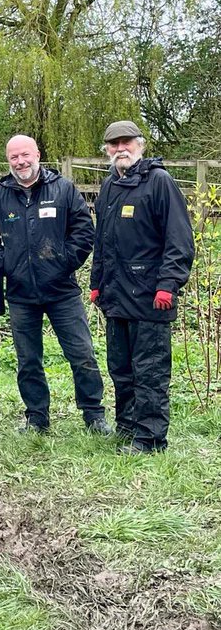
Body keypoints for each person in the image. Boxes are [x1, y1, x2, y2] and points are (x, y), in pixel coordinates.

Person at [0, 134, 110, 435]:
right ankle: (37, 417)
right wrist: (5, 264)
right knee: (28, 360)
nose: (21, 162)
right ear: (7, 160)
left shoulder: (62, 189)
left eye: (25, 155)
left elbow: (83, 230)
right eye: (14, 157)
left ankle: (93, 414)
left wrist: (64, 261)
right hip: (21, 293)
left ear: (37, 154)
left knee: (82, 354)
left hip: (62, 290)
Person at [90, 121, 194, 454]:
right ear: (107, 149)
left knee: (149, 370)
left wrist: (168, 284)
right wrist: (96, 283)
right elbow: (102, 240)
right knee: (120, 366)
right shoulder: (109, 185)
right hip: (116, 295)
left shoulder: (159, 182)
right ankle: (127, 426)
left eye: (126, 142)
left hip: (151, 296)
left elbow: (179, 239)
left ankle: (150, 439)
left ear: (140, 144)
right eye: (114, 144)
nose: (121, 148)